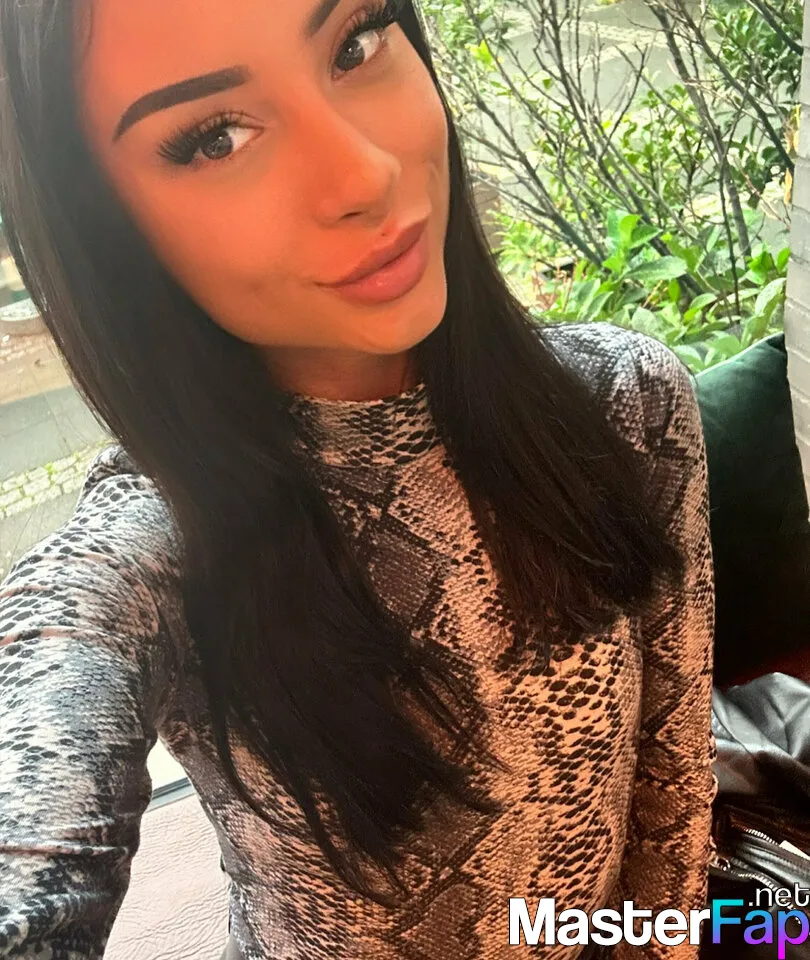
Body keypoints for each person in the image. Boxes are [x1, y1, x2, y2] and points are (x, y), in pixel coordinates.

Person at [0, 0, 716, 956]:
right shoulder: (155, 554)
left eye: (355, 43)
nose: (366, 173)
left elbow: (673, 789)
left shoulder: (626, 402)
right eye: (215, 137)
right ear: (104, 230)